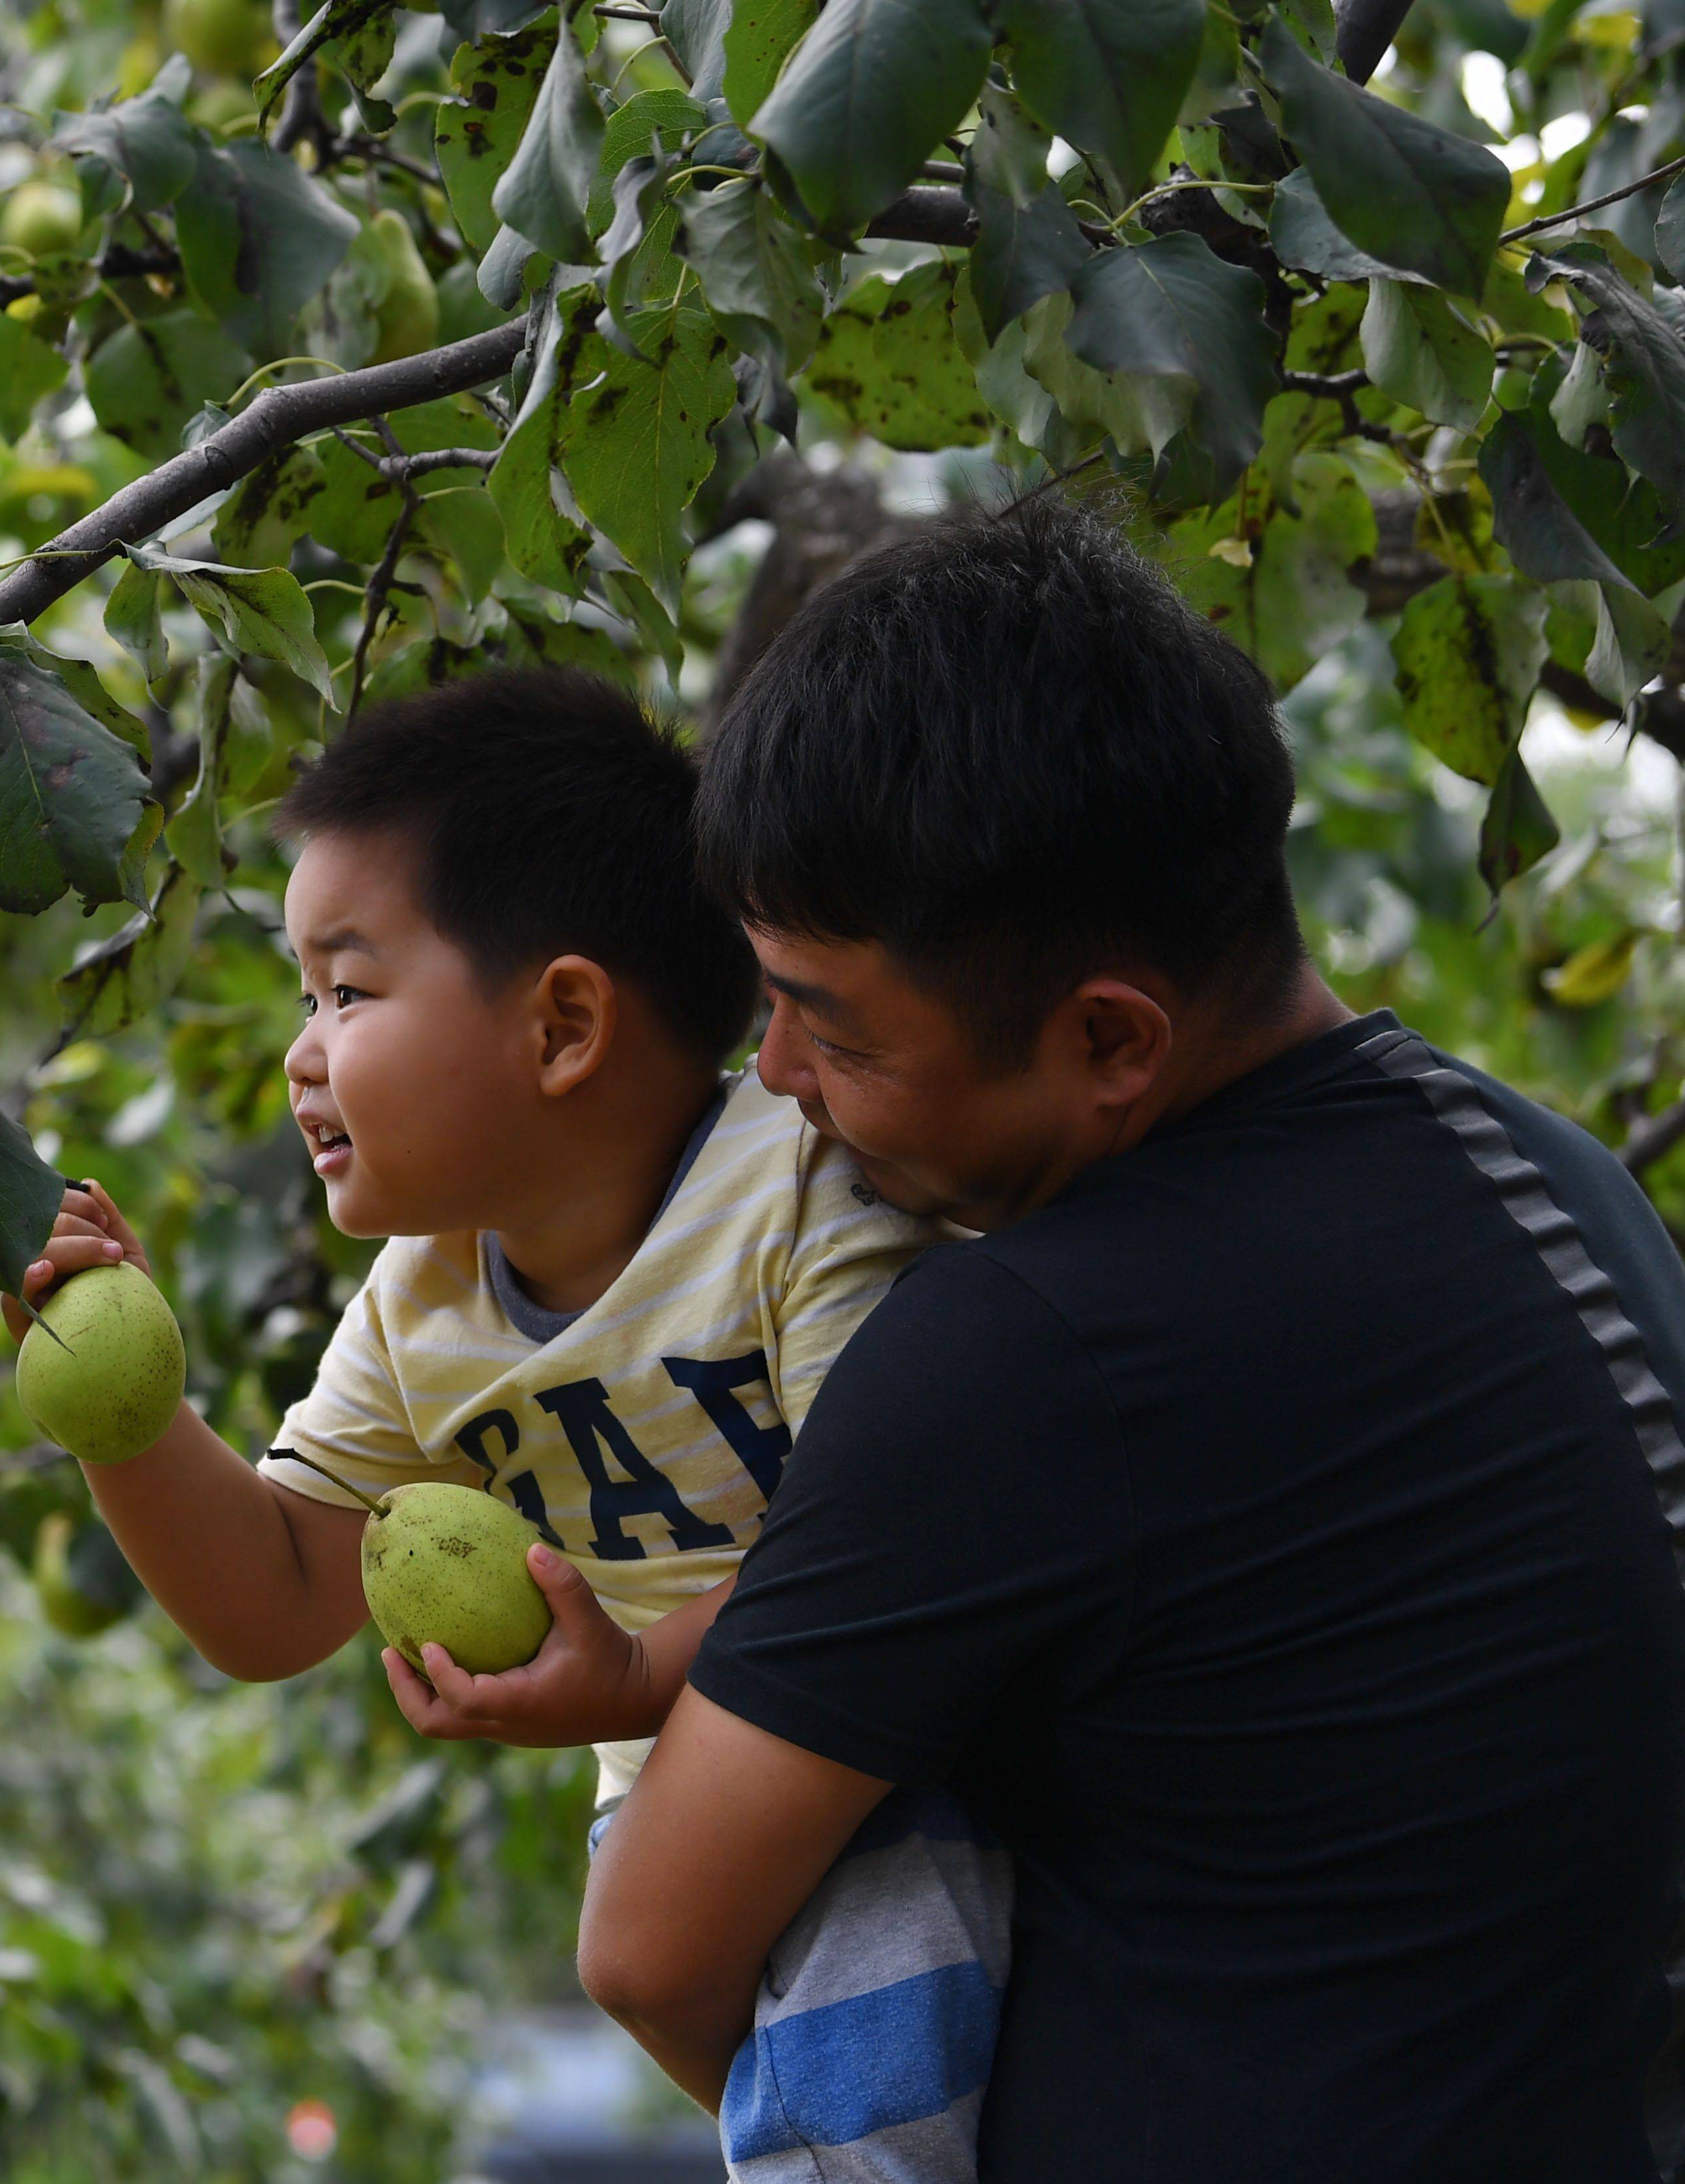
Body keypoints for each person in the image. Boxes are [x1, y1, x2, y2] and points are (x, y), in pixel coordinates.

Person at [578, 492, 1685, 2182]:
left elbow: (653, 1950)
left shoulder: (1031, 1347)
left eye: (831, 1025)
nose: (780, 1087)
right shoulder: (1559, 1175)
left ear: (1109, 1037)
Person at [13, 671, 1002, 2174]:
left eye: (348, 990)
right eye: (304, 995)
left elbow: (888, 1538)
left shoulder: (794, 1194)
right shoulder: (421, 1309)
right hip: (684, 1815)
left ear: (561, 1024)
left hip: (900, 1754)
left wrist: (633, 1676)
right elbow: (274, 1597)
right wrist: (126, 1417)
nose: (303, 1051)